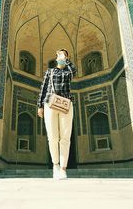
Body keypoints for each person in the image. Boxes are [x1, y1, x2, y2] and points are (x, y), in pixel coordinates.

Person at [37, 49, 77, 180]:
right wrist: (40, 106)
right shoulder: (50, 71)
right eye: (59, 54)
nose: (61, 56)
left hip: (66, 104)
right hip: (50, 103)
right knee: (52, 137)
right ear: (55, 58)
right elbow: (43, 88)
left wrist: (66, 60)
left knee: (65, 137)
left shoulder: (68, 70)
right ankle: (56, 165)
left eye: (64, 55)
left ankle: (63, 169)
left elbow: (73, 73)